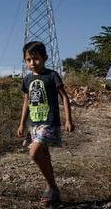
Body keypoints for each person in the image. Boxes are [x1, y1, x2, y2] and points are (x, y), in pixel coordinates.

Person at [17, 41, 74, 207]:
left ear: (45, 58)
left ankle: (51, 187)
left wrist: (68, 119)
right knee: (45, 156)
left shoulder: (52, 75)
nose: (32, 63)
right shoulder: (27, 79)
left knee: (34, 153)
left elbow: (64, 96)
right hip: (35, 123)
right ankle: (53, 189)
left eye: (36, 59)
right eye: (28, 59)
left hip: (49, 122)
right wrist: (22, 124)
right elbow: (26, 102)